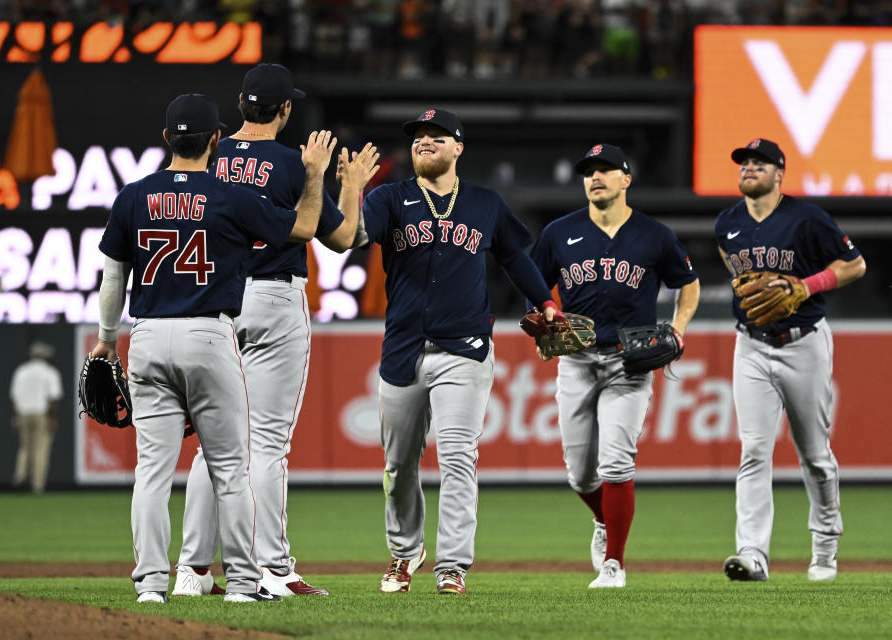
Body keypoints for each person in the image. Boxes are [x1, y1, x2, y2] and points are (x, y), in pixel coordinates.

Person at [90, 92, 338, 604]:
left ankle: (153, 586)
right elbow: (307, 228)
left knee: (152, 472)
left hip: (149, 337)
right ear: (216, 141)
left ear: (166, 139)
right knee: (231, 466)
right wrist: (313, 175)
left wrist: (106, 340)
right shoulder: (228, 195)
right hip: (208, 334)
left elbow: (113, 276)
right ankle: (245, 585)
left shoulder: (134, 195)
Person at [173, 64, 379, 599]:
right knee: (265, 441)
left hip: (212, 301)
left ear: (241, 104)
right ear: (285, 111)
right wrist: (348, 185)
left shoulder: (207, 159)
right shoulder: (292, 164)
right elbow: (345, 239)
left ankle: (193, 571)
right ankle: (272, 569)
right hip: (272, 298)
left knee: (212, 447)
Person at [357, 108, 561, 595]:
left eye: (436, 135)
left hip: (465, 348)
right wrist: (349, 188)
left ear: (458, 147)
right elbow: (355, 237)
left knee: (457, 457)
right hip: (403, 347)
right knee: (398, 464)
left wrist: (546, 302)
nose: (424, 141)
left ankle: (452, 564)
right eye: (418, 137)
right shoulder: (390, 198)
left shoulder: (485, 203)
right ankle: (405, 553)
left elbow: (514, 255)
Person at [528, 144, 700, 588]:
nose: (595, 177)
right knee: (580, 474)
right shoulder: (559, 233)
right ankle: (605, 522)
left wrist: (679, 327)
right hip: (576, 360)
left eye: (606, 170)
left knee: (617, 465)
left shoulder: (654, 235)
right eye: (589, 171)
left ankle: (615, 564)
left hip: (631, 362)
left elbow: (689, 283)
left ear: (627, 179)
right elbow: (534, 284)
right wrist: (541, 310)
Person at [716, 138, 866, 583]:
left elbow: (854, 265)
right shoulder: (727, 223)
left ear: (780, 173)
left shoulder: (807, 218)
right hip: (752, 346)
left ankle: (824, 550)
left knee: (815, 454)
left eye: (759, 163)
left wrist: (806, 285)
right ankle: (753, 553)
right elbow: (735, 269)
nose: (749, 168)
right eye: (744, 162)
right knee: (754, 451)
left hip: (804, 344)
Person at [10, 341, 63, 494]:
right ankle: (37, 485)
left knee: (25, 447)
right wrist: (52, 419)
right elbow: (53, 399)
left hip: (23, 412)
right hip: (42, 413)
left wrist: (15, 417)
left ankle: (20, 478)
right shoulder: (50, 372)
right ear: (45, 357)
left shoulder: (21, 371)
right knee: (41, 449)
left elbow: (14, 397)